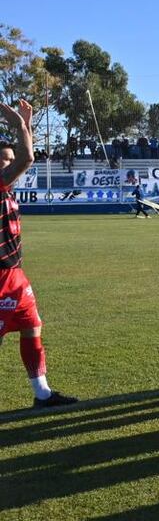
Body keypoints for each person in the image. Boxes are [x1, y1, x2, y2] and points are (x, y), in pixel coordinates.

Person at [0, 100, 78, 409]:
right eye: (3, 160)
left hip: (16, 274)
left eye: (9, 159)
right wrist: (19, 125)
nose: (9, 164)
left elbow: (23, 156)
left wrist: (27, 125)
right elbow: (28, 157)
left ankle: (42, 394)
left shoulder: (7, 187)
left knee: (32, 326)